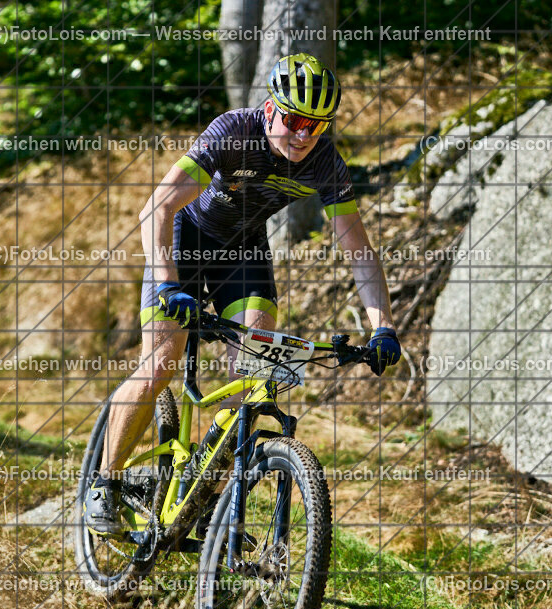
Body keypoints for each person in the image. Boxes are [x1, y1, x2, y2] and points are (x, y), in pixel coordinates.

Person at [84, 53, 401, 534]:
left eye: (316, 126)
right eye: (295, 120)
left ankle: (205, 499)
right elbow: (157, 208)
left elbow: (358, 248)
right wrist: (168, 284)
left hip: (242, 249)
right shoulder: (234, 131)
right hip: (184, 238)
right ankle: (105, 482)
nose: (304, 135)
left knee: (252, 375)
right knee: (161, 363)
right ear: (271, 110)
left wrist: (383, 328)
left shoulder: (324, 163)